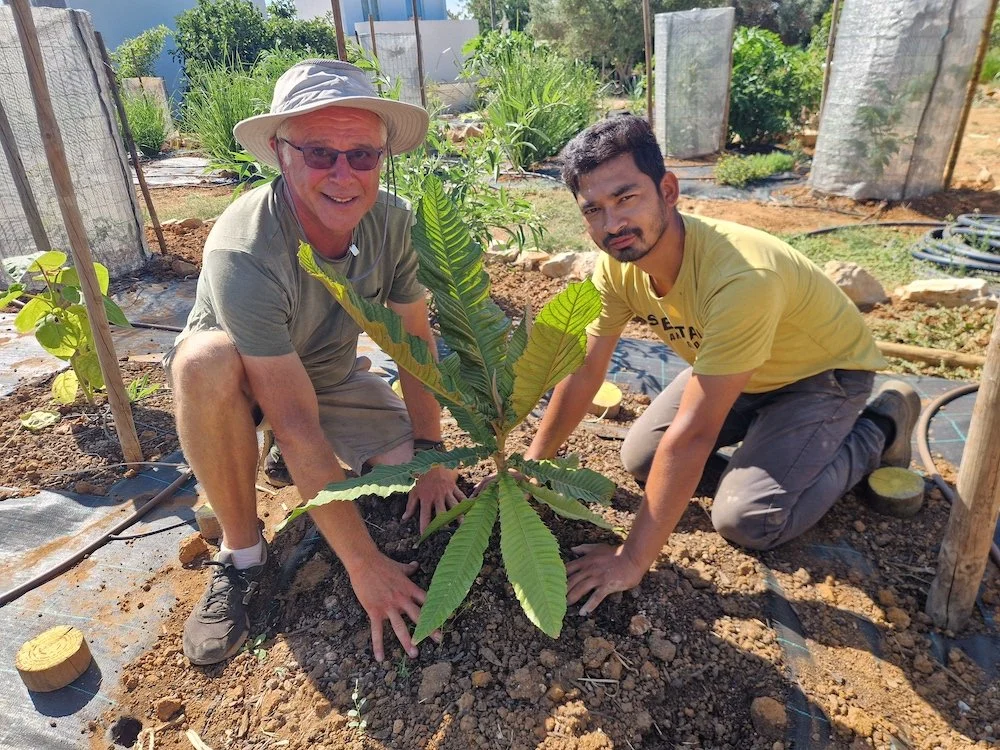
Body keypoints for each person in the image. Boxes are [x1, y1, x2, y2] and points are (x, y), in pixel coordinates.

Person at [525, 115, 920, 617]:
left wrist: (631, 559)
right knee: (642, 459)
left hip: (820, 376)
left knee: (748, 519)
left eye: (627, 199)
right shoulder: (616, 268)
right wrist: (531, 468)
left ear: (668, 190)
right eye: (594, 210)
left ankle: (879, 427)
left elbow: (691, 438)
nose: (613, 225)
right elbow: (585, 371)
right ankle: (776, 448)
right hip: (739, 370)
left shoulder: (739, 278)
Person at [165, 60, 465, 666]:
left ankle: (288, 463)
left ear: (382, 157)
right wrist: (364, 566)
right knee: (206, 361)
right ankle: (241, 558)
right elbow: (297, 421)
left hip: (328, 376)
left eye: (362, 155)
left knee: (413, 479)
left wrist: (433, 452)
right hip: (244, 386)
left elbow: (413, 345)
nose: (343, 173)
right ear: (280, 153)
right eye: (320, 153)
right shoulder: (244, 248)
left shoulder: (394, 223)